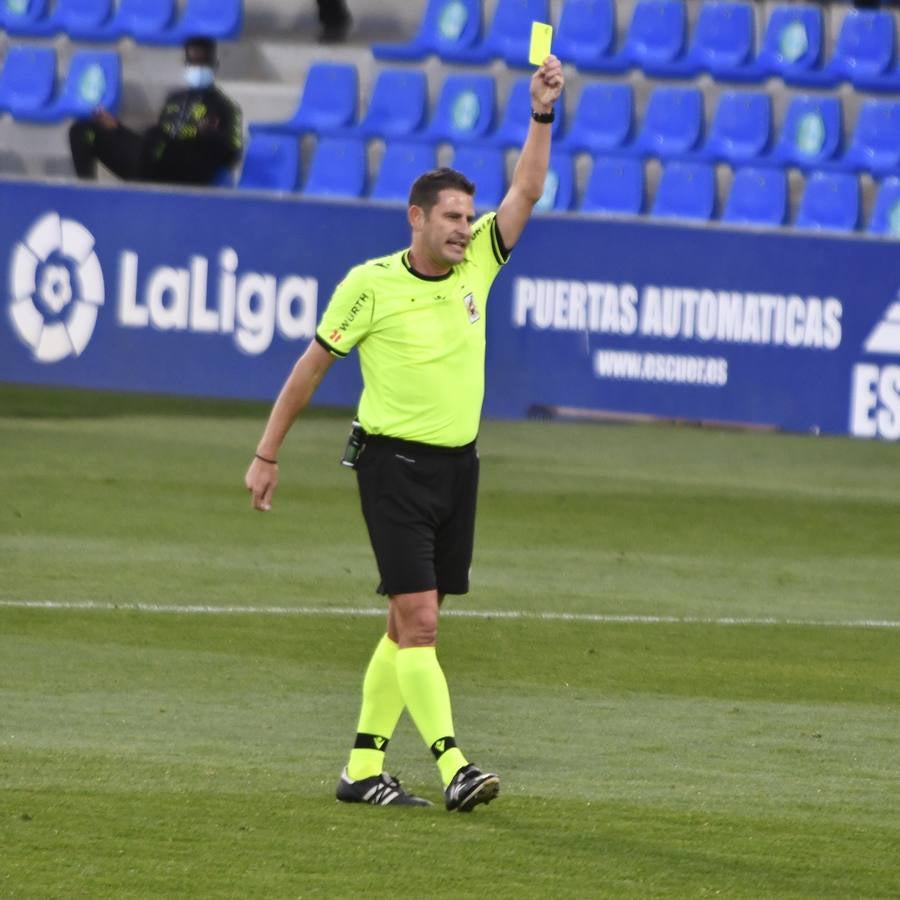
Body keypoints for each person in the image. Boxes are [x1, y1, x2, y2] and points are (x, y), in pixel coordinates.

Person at [245, 56, 564, 811]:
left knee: (405, 624)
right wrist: (267, 452)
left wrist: (542, 112)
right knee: (420, 623)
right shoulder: (371, 284)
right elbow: (312, 366)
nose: (463, 228)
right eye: (450, 217)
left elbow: (526, 189)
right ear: (416, 218)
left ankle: (361, 769)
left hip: (458, 469)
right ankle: (455, 766)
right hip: (390, 467)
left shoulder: (478, 262)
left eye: (467, 216)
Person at [69, 37, 242, 186]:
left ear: (214, 66)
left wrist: (209, 137)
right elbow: (156, 139)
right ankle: (86, 192)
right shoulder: (174, 99)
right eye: (191, 63)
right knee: (83, 130)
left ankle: (142, 196)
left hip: (187, 170)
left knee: (155, 140)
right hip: (154, 159)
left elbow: (233, 154)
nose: (196, 69)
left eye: (201, 64)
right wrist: (118, 129)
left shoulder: (226, 107)